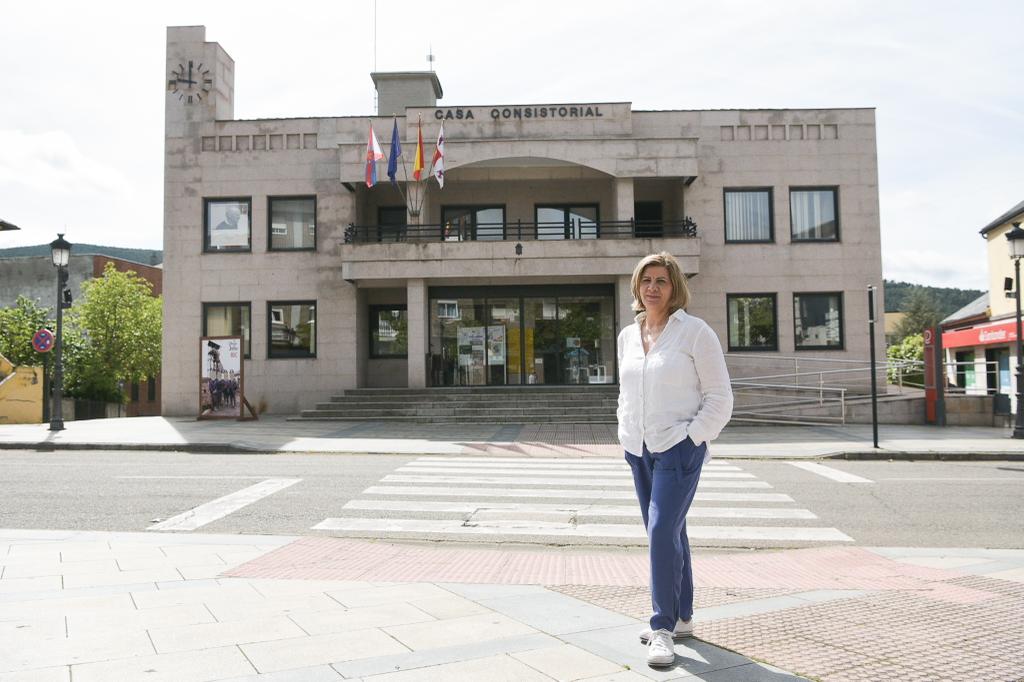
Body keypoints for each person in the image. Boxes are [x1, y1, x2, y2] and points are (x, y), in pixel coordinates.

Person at [617, 251, 733, 668]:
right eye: (646, 280)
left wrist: (692, 438)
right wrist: (624, 431)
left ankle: (661, 627)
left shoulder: (695, 332)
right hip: (639, 448)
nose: (652, 287)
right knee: (670, 530)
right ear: (637, 286)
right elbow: (627, 392)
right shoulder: (628, 336)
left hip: (678, 448)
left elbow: (720, 398)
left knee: (660, 529)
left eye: (661, 281)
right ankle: (682, 615)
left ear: (674, 287)